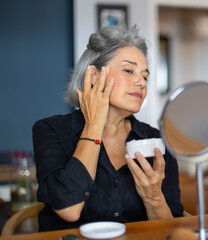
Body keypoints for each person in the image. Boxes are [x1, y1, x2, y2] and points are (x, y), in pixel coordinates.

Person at [32, 25, 183, 232]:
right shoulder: (50, 130)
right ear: (94, 76)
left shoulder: (157, 140)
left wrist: (153, 196)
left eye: (145, 76)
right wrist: (94, 125)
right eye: (129, 71)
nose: (141, 82)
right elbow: (69, 210)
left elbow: (172, 231)